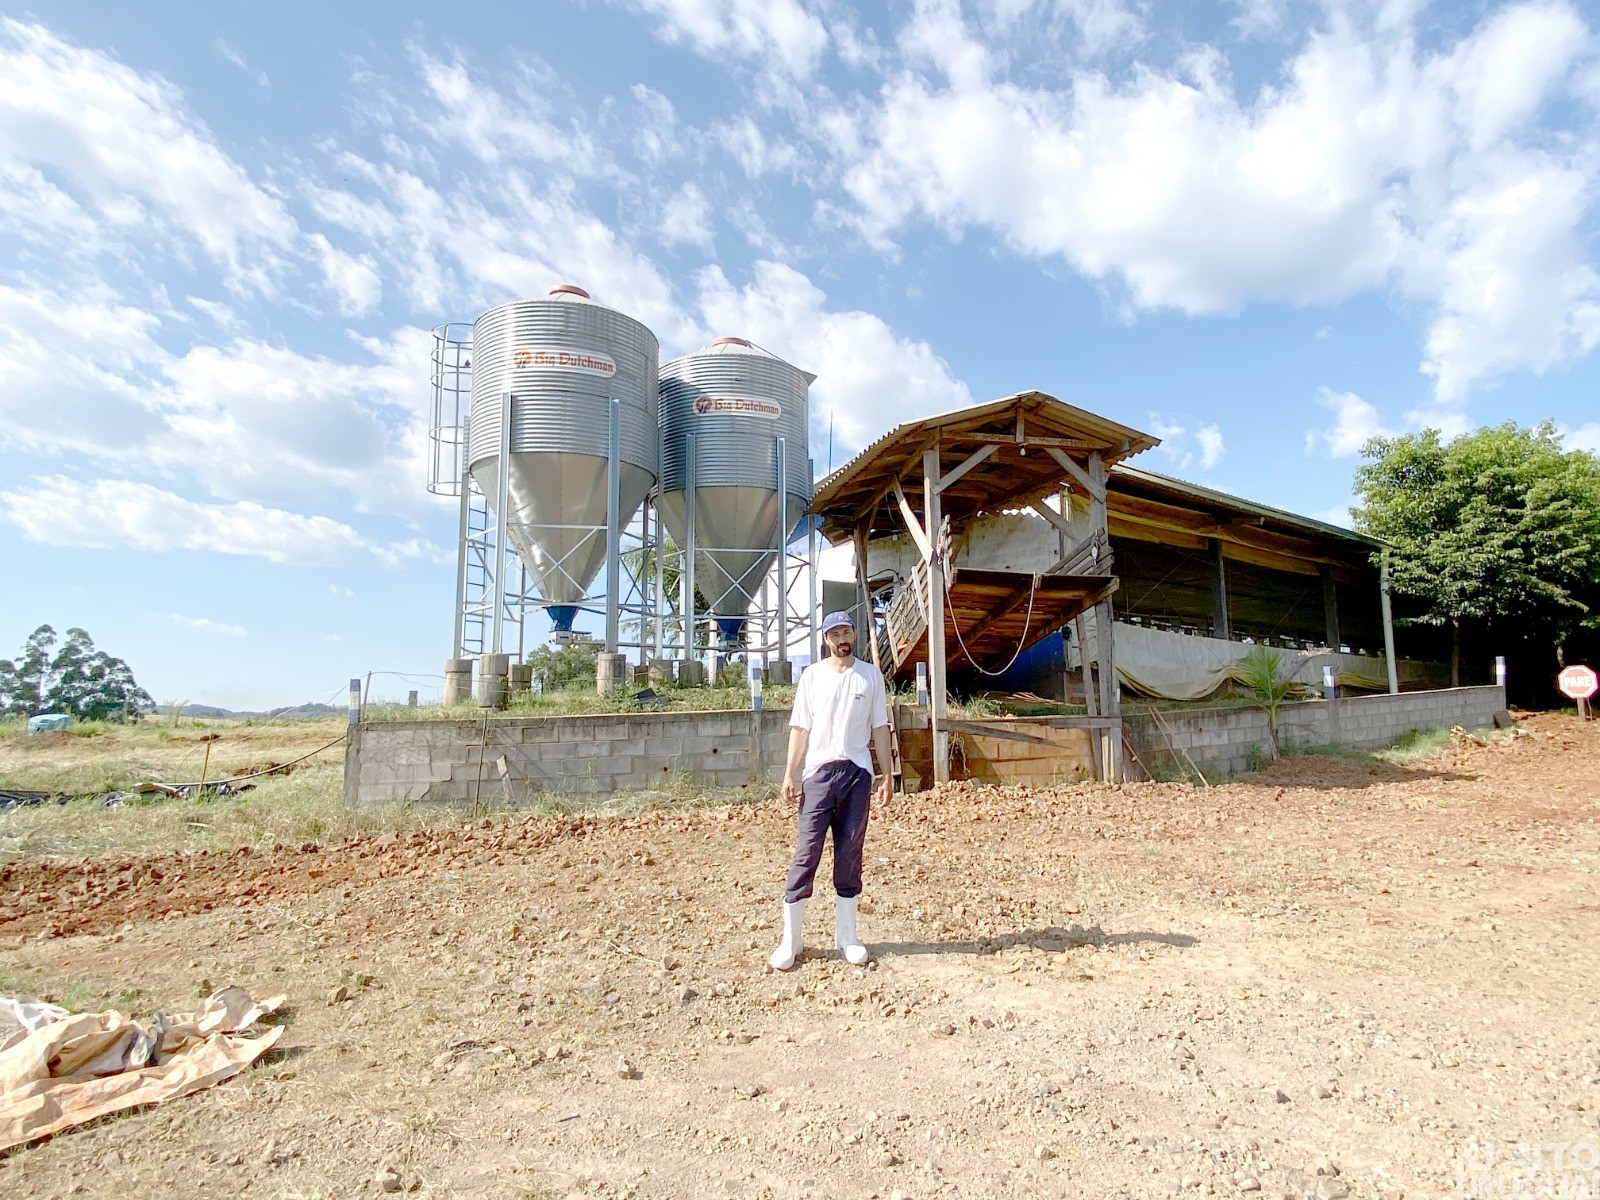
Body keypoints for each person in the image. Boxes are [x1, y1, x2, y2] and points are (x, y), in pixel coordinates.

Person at [769, 610, 893, 970]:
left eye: (846, 631)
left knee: (850, 853)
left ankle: (847, 937)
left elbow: (881, 727)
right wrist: (789, 774)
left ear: (854, 635)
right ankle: (791, 941)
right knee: (807, 852)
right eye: (834, 633)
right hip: (819, 775)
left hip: (857, 774)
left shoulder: (870, 676)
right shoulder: (812, 676)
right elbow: (800, 728)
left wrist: (886, 775)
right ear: (825, 640)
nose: (841, 638)